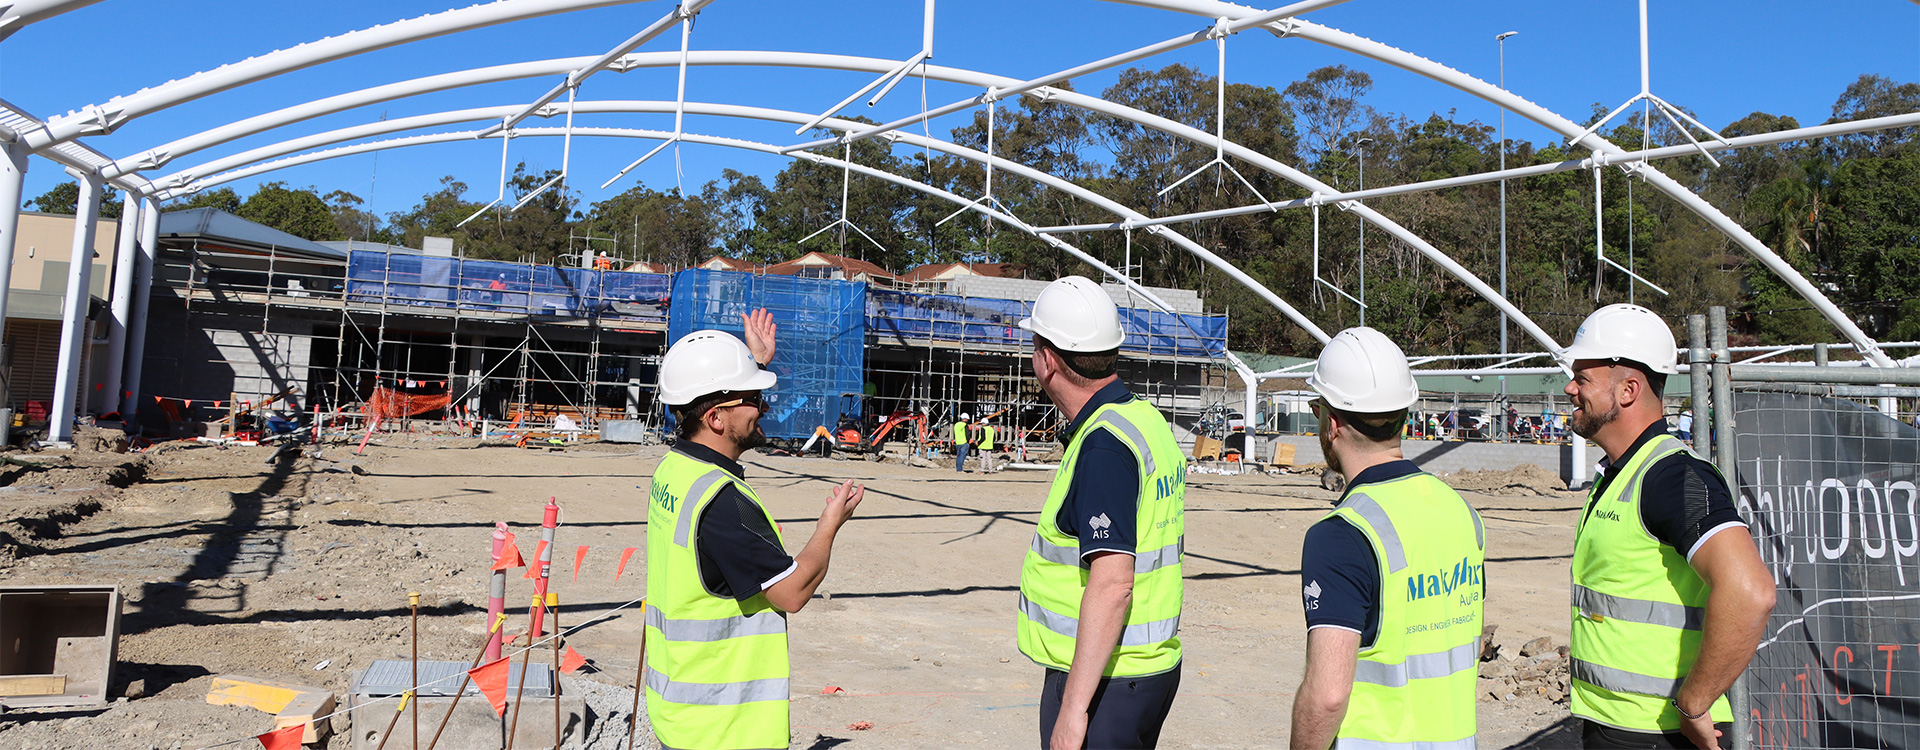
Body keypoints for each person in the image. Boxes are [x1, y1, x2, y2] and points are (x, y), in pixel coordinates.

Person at [645, 310, 866, 750]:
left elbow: (721, 399)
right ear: (715, 419)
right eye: (753, 398)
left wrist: (756, 366)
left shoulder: (675, 468)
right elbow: (792, 592)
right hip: (724, 730)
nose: (765, 407)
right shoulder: (722, 501)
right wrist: (829, 527)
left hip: (680, 711)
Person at [1559, 303, 1775, 750]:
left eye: (1583, 378)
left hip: (1656, 734)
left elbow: (1750, 592)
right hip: (1617, 724)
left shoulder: (1674, 477)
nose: (1569, 387)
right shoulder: (1623, 473)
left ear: (1628, 391)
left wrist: (1695, 702)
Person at [1290, 327, 1485, 750]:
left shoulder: (1342, 535)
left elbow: (1327, 697)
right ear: (1404, 414)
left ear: (1332, 423)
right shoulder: (1461, 512)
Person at [1015, 276, 1187, 749]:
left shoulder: (1105, 446)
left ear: (1048, 360)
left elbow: (1113, 583)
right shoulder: (1144, 420)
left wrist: (1072, 711)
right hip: (1145, 667)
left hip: (1106, 679)